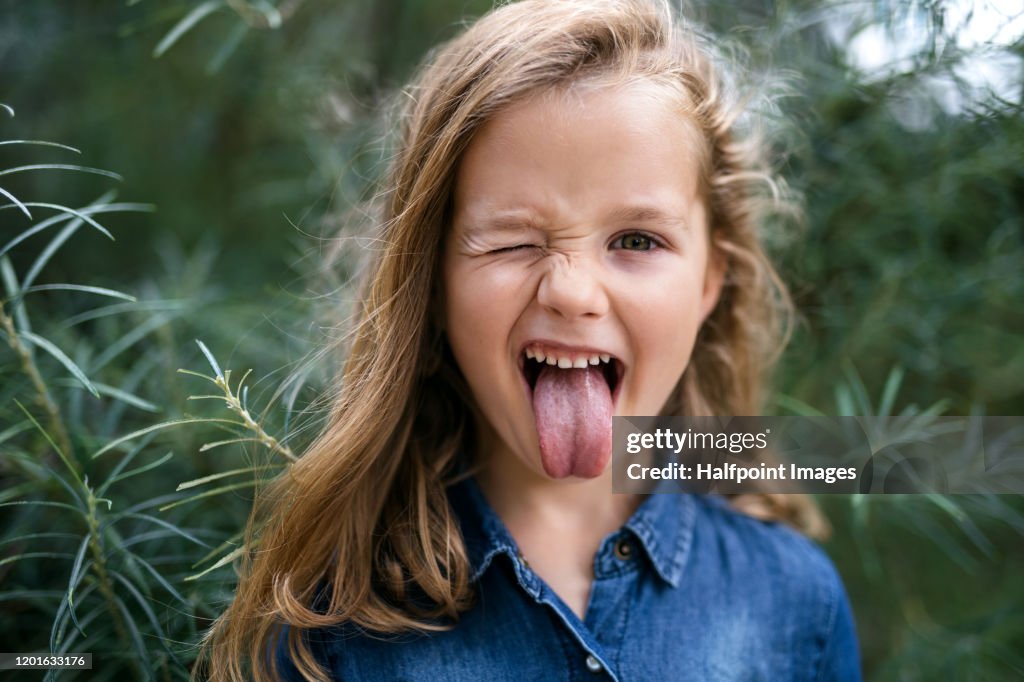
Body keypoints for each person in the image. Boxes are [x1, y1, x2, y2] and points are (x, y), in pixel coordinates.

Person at [200, 0, 861, 679]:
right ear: (432, 283)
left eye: (637, 240)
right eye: (514, 241)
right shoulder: (326, 622)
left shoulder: (795, 603)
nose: (572, 292)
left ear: (708, 282)